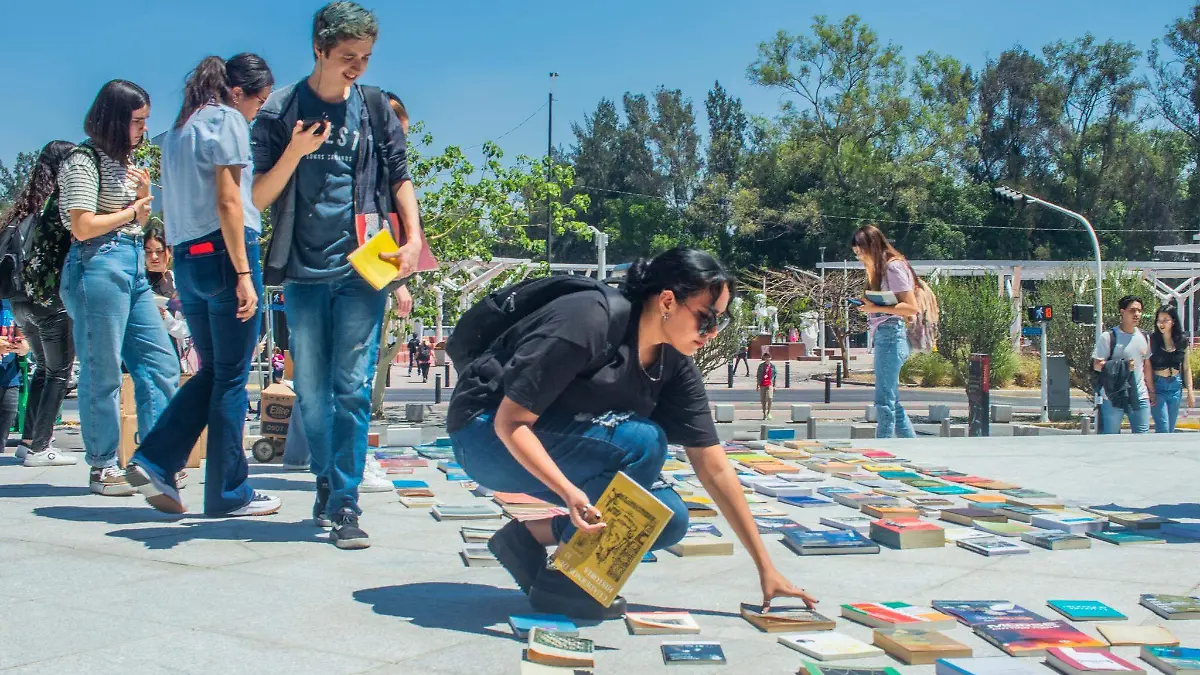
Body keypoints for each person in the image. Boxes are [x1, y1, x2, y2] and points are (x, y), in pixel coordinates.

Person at [447, 247, 818, 620]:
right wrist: (568, 491)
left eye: (719, 321)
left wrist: (765, 567)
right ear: (668, 301)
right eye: (706, 318)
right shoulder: (588, 320)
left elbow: (714, 467)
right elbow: (510, 423)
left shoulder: (672, 362)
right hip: (483, 436)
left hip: (544, 447)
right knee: (644, 441)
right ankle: (569, 582)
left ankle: (528, 537)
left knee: (667, 518)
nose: (712, 332)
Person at [251, 1, 424, 548]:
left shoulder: (373, 108)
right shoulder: (279, 112)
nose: (358, 67)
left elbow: (399, 178)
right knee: (312, 391)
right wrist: (296, 152)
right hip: (302, 269)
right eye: (348, 56)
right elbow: (256, 196)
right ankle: (326, 479)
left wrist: (414, 239)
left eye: (366, 57)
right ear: (319, 50)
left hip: (363, 267)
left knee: (350, 389)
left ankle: (345, 500)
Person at [124, 54, 281, 517]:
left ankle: (157, 459)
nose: (258, 111)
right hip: (226, 253)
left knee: (214, 371)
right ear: (238, 93)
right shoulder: (227, 121)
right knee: (232, 376)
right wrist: (246, 275)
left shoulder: (177, 130)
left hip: (188, 257)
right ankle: (228, 493)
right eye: (260, 100)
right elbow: (231, 201)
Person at [58, 80, 180, 495]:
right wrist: (133, 208)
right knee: (102, 369)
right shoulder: (83, 160)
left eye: (146, 121)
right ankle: (102, 465)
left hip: (130, 263)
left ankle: (155, 458)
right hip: (96, 264)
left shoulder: (127, 161)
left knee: (160, 362)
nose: (144, 129)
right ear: (114, 119)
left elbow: (136, 225)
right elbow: (82, 225)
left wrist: (142, 201)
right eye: (137, 121)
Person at [1, 140, 78, 467]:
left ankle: (29, 440)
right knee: (59, 371)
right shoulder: (57, 206)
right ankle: (39, 446)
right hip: (49, 302)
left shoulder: (22, 210)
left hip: (20, 304)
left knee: (45, 369)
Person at [852, 225, 920, 439]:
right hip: (885, 335)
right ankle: (913, 447)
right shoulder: (879, 269)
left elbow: (911, 307)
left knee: (884, 402)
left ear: (872, 247)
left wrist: (875, 308)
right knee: (892, 401)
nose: (860, 258)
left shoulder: (893, 267)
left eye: (861, 253)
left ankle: (885, 448)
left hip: (891, 335)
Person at [1092, 295, 1153, 435]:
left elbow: (1146, 365)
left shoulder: (1144, 336)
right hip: (1113, 396)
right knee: (1111, 438)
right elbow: (1096, 365)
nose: (1137, 314)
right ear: (1122, 311)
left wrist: (1151, 391)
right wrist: (1123, 366)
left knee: (1143, 437)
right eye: (1132, 310)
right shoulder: (1109, 337)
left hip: (1140, 395)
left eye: (1139, 310)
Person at [144, 226, 197, 373]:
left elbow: (189, 328)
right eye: (148, 251)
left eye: (159, 251)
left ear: (169, 251)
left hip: (173, 359)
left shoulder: (179, 283)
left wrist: (166, 319)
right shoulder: (136, 282)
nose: (154, 256)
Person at [1148, 305, 1193, 433]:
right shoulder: (1153, 340)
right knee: (1163, 427)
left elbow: (1186, 367)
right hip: (1158, 386)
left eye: (1165, 320)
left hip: (1175, 385)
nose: (1161, 324)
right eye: (1159, 320)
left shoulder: (1181, 340)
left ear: (1173, 321)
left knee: (1171, 429)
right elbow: (1147, 366)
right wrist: (1150, 390)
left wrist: (1189, 390)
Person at [0, 301, 30, 454]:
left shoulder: (10, 304)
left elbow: (23, 337)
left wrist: (23, 347)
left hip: (9, 376)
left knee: (8, 414)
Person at [756, 350, 777, 420]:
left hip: (769, 384)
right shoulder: (761, 366)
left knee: (770, 398)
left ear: (770, 358)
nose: (767, 359)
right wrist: (757, 385)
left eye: (768, 357)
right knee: (763, 400)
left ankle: (769, 412)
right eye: (766, 357)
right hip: (762, 384)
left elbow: (775, 376)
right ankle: (764, 413)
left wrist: (774, 386)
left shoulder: (773, 366)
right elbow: (758, 375)